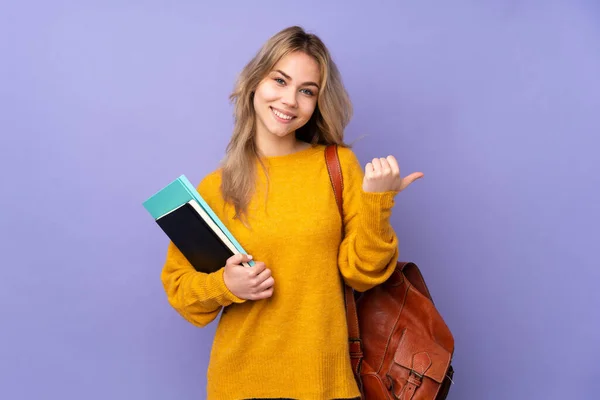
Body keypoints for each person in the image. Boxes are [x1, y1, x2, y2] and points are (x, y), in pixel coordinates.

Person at [160, 25, 423, 400]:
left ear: (317, 102)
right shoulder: (214, 187)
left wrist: (378, 204)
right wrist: (226, 286)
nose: (289, 100)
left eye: (306, 91)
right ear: (255, 82)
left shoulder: (337, 166)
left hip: (326, 384)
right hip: (239, 384)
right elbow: (182, 292)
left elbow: (363, 274)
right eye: (279, 81)